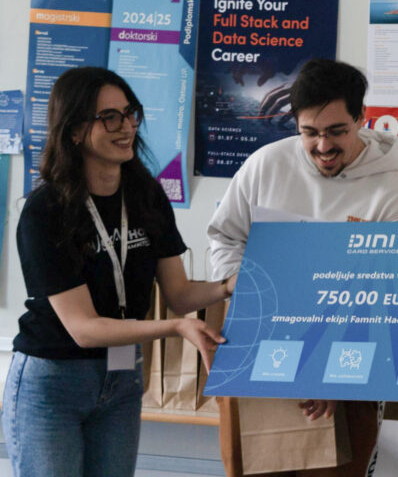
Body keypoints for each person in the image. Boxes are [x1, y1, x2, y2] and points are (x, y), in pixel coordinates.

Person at [1, 67, 236, 477]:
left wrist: (229, 285)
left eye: (130, 113)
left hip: (122, 377)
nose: (126, 126)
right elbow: (84, 329)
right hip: (54, 381)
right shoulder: (46, 211)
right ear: (75, 131)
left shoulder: (146, 196)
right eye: (109, 117)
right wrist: (176, 328)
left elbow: (179, 294)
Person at [207, 58, 398, 477]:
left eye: (337, 131)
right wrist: (239, 282)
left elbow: (389, 295)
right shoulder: (266, 165)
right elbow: (225, 237)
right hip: (262, 352)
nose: (323, 146)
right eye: (310, 133)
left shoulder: (391, 193)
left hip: (347, 373)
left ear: (360, 118)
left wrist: (332, 376)